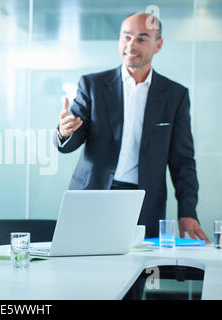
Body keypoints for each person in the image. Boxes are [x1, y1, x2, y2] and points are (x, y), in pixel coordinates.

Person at [55, 12, 210, 241]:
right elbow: (71, 139)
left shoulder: (175, 96)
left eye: (141, 38)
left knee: (141, 272)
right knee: (84, 269)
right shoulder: (93, 85)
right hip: (92, 195)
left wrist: (187, 212)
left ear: (158, 45)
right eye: (126, 37)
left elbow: (182, 161)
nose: (131, 45)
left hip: (144, 203)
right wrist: (64, 131)